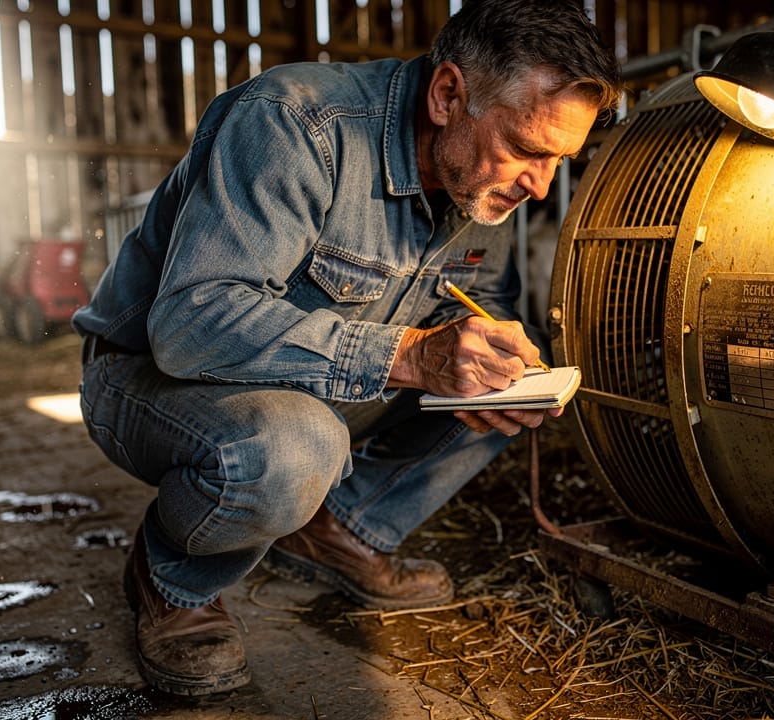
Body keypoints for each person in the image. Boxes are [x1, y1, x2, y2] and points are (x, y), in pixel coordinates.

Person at [72, 0, 621, 696]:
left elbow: (492, 312)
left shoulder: (483, 186)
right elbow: (190, 324)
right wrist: (415, 355)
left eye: (559, 160)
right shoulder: (294, 121)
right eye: (528, 149)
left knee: (513, 368)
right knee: (296, 450)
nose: (540, 184)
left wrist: (501, 364)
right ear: (449, 94)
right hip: (150, 376)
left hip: (321, 392)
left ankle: (339, 530)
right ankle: (172, 579)